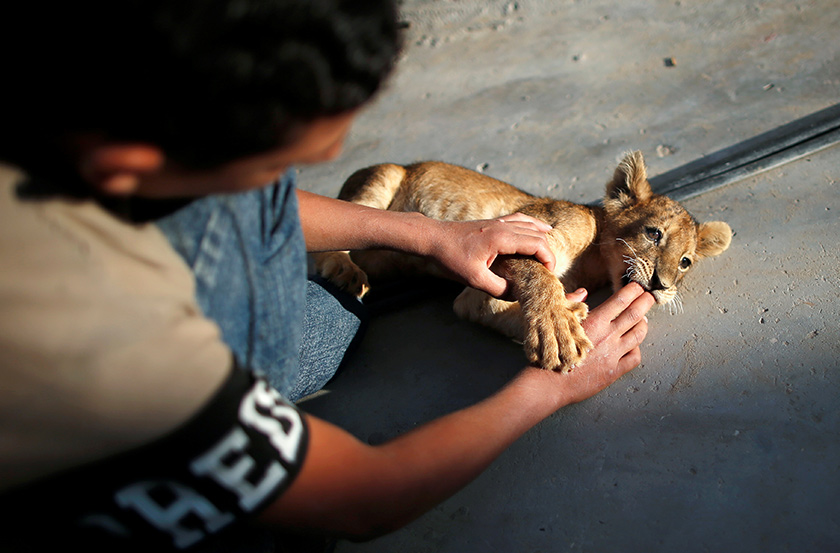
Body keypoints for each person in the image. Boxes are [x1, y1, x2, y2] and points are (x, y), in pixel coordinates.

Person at [0, 1, 654, 552]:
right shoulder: (112, 338)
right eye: (272, 166)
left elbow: (254, 201)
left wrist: (429, 233)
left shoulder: (100, 103)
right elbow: (362, 496)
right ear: (126, 162)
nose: (328, 163)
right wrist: (550, 389)